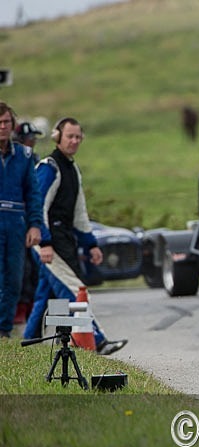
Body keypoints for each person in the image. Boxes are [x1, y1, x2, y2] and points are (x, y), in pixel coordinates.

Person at [23, 117, 127, 355]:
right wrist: (45, 242)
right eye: (69, 136)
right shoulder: (49, 168)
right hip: (48, 242)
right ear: (57, 137)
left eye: (78, 137)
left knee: (45, 296)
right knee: (75, 291)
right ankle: (96, 341)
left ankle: (30, 341)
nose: (74, 141)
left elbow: (79, 213)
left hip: (63, 240)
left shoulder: (72, 169)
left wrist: (91, 244)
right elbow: (38, 207)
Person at [0, 102, 43, 338]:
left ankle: (4, 330)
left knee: (15, 279)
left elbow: (33, 193)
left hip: (16, 221)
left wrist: (35, 225)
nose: (3, 127)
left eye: (6, 122)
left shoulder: (24, 156)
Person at [12, 121, 44, 325]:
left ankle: (31, 307)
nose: (33, 141)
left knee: (34, 267)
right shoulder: (16, 159)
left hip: (32, 218)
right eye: (30, 138)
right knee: (20, 268)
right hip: (16, 219)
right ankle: (18, 310)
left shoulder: (35, 160)